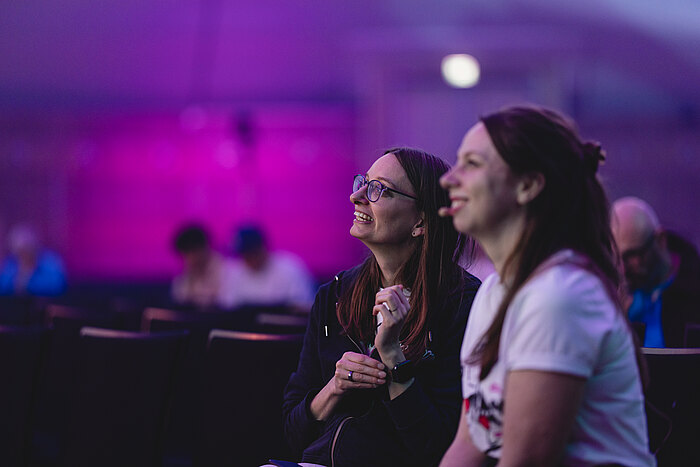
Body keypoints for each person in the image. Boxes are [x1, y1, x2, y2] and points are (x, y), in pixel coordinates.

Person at [439, 106, 654, 466]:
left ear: (527, 185)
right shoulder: (493, 293)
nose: (448, 179)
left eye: (472, 164)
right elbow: (470, 443)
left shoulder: (559, 295)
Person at [281, 148, 481, 467]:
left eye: (379, 189)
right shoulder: (334, 295)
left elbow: (439, 448)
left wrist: (394, 359)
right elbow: (292, 434)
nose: (356, 196)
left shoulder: (463, 302)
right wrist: (335, 387)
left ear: (420, 222)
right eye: (363, 183)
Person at [611, 196, 700, 348]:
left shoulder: (693, 296)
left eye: (631, 255)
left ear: (660, 240)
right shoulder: (616, 296)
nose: (623, 270)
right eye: (617, 259)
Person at [222, 226, 315, 313]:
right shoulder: (235, 271)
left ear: (263, 248)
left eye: (251, 253)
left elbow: (304, 308)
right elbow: (227, 307)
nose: (247, 259)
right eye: (243, 255)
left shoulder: (290, 268)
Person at [170, 224, 235, 309]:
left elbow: (226, 303)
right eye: (185, 255)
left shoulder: (227, 271)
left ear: (205, 247)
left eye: (192, 252)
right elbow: (180, 300)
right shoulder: (185, 277)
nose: (189, 259)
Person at [0, 223, 66, 296]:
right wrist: (20, 276)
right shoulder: (11, 263)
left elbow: (56, 285)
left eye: (25, 251)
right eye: (18, 252)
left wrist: (28, 281)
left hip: (46, 302)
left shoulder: (50, 260)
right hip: (15, 302)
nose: (22, 256)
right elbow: (3, 286)